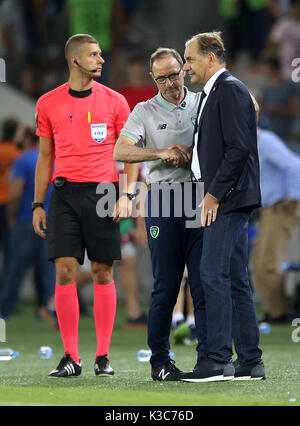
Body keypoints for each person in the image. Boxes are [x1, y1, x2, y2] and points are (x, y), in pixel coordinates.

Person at [32, 33, 137, 378]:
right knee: (64, 270)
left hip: (104, 193)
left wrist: (127, 194)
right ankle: (71, 357)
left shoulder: (116, 101)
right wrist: (37, 203)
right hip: (63, 194)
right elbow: (45, 156)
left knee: (101, 272)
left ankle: (103, 356)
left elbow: (130, 152)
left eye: (101, 54)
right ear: (75, 60)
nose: (101, 60)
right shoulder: (48, 103)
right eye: (94, 54)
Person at [114, 47, 205, 381]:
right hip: (163, 199)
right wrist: (162, 152)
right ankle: (160, 362)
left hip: (198, 197)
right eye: (162, 77)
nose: (169, 82)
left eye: (173, 73)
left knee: (202, 282)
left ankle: (208, 358)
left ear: (184, 69)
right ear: (153, 78)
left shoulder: (202, 102)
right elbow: (121, 150)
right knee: (166, 285)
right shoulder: (143, 110)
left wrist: (191, 152)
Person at [180, 31, 265, 382]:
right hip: (225, 196)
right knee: (234, 279)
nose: (186, 68)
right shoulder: (216, 92)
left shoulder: (228, 89)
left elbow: (238, 148)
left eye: (189, 59)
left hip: (225, 199)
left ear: (211, 57)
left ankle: (216, 360)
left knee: (211, 274)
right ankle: (249, 361)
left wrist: (213, 194)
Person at [0, 126, 56, 326]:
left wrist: (11, 216)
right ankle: (47, 311)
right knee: (48, 268)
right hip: (51, 219)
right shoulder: (53, 159)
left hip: (26, 218)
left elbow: (15, 192)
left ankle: (4, 311)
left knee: (15, 268)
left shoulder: (22, 160)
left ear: (25, 140)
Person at [250, 122, 300, 323]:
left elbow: (295, 165)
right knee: (259, 264)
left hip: (281, 207)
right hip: (270, 209)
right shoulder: (255, 142)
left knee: (268, 264)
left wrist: (295, 196)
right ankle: (274, 311)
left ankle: (280, 313)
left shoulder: (265, 141)